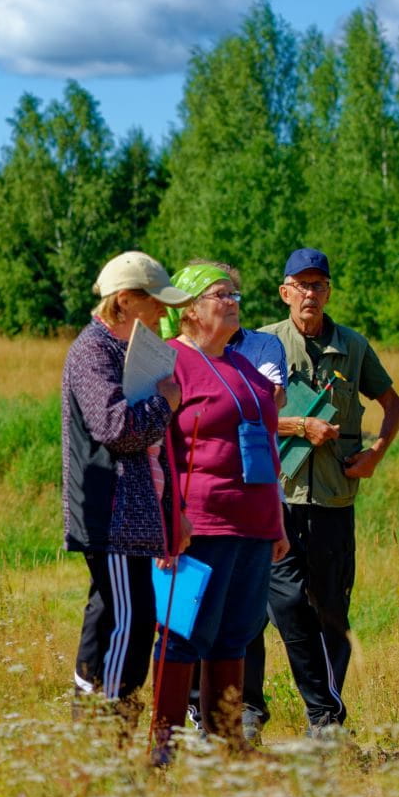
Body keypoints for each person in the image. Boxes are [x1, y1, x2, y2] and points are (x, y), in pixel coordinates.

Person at [250, 249, 399, 739]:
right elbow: (242, 412)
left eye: (319, 284)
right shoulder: (262, 344)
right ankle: (256, 710)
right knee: (277, 604)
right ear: (285, 292)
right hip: (276, 497)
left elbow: (393, 404)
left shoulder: (353, 347)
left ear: (328, 291)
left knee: (332, 611)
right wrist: (298, 424)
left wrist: (376, 453)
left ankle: (325, 720)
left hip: (335, 500)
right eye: (301, 284)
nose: (310, 294)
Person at [153, 263, 288, 759]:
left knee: (236, 634)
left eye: (235, 294)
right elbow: (158, 448)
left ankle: (226, 745)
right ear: (189, 309)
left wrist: (275, 520)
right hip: (199, 522)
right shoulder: (169, 363)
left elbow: (267, 447)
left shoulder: (244, 366)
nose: (232, 301)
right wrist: (169, 519)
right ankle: (162, 746)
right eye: (219, 294)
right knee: (182, 632)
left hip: (253, 522)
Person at [61, 252, 190, 729]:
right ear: (123, 301)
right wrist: (166, 401)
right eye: (154, 302)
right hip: (109, 513)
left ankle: (99, 728)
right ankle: (107, 727)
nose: (162, 313)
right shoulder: (93, 351)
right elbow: (115, 427)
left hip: (133, 513)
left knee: (115, 618)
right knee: (128, 623)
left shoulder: (125, 349)